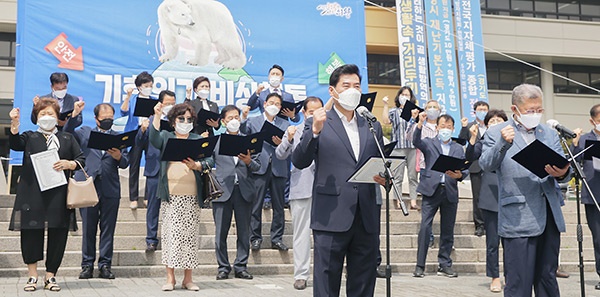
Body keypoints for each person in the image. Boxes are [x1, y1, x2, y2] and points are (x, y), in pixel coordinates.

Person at [292, 64, 386, 297]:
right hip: (331, 214)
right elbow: (299, 160)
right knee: (326, 280)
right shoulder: (319, 120)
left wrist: (386, 178)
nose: (352, 90)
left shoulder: (371, 123)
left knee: (364, 281)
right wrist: (314, 130)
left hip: (366, 215)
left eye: (356, 86)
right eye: (346, 86)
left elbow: (381, 162)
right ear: (333, 91)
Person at [479, 83, 570, 297]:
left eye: (539, 110)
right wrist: (503, 142)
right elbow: (486, 164)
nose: (535, 115)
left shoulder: (548, 133)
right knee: (519, 281)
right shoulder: (496, 132)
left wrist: (561, 173)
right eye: (530, 111)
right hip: (518, 215)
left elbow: (564, 169)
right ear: (515, 110)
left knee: (547, 278)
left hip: (549, 212)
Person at [9, 98, 85, 292]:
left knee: (58, 233)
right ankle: (32, 275)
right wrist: (14, 124)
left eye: (51, 113)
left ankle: (50, 276)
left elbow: (80, 158)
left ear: (57, 116)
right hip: (32, 193)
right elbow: (15, 143)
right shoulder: (30, 137)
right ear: (36, 117)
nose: (47, 117)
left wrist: (69, 164)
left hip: (58, 194)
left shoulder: (67, 138)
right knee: (30, 233)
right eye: (43, 114)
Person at [149, 102, 214, 291]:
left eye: (188, 119)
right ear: (173, 121)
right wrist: (156, 115)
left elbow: (210, 159)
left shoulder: (197, 138)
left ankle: (188, 278)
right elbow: (153, 139)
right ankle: (170, 278)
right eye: (181, 119)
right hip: (172, 198)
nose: (185, 122)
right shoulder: (166, 136)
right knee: (171, 237)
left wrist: (198, 166)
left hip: (192, 198)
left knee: (189, 238)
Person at [64, 103, 129, 280]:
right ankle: (87, 265)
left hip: (110, 187)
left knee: (108, 229)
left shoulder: (118, 136)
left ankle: (105, 265)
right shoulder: (85, 132)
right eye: (104, 118)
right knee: (88, 228)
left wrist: (118, 156)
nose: (108, 120)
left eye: (111, 118)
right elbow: (68, 132)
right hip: (88, 186)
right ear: (96, 118)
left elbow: (125, 162)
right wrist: (74, 115)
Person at [412, 113, 468, 278]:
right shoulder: (429, 143)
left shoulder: (458, 148)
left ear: (453, 129)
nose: (445, 129)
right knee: (425, 227)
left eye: (449, 127)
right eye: (442, 126)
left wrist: (459, 176)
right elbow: (416, 141)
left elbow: (463, 169)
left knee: (447, 229)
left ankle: (444, 264)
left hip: (449, 191)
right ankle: (419, 265)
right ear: (437, 128)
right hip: (431, 190)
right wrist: (420, 124)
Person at [275, 96, 323, 290]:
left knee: (325, 235)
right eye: (311, 112)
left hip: (325, 189)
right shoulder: (295, 130)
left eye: (319, 111)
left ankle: (323, 273)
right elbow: (280, 154)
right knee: (301, 234)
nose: (316, 115)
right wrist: (288, 138)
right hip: (301, 188)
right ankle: (301, 275)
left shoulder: (330, 129)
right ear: (304, 113)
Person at [212, 105, 260, 281]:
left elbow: (257, 166)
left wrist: (248, 161)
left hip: (244, 191)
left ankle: (241, 266)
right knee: (220, 233)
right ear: (223, 122)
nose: (234, 121)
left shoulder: (248, 141)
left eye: (237, 117)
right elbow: (209, 162)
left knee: (244, 232)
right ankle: (223, 267)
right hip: (222, 191)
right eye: (230, 118)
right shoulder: (216, 141)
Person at [241, 93, 290, 251]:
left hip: (278, 167)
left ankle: (277, 238)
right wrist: (243, 118)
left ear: (280, 107)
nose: (274, 105)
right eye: (271, 102)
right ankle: (255, 237)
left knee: (278, 206)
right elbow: (243, 134)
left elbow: (289, 146)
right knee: (256, 205)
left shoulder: (285, 123)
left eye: (277, 103)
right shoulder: (253, 121)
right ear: (264, 104)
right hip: (259, 166)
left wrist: (281, 143)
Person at [465, 109, 507, 293]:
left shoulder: (513, 142)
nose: (496, 123)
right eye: (492, 121)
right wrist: (473, 139)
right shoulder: (483, 143)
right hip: (490, 195)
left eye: (500, 120)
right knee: (492, 242)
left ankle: (512, 276)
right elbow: (470, 157)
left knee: (512, 242)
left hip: (511, 195)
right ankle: (495, 277)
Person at [136, 90, 177, 252]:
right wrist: (143, 130)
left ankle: (172, 238)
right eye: (167, 103)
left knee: (173, 208)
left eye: (173, 103)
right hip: (154, 169)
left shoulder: (177, 122)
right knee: (153, 207)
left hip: (173, 169)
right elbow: (139, 143)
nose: (170, 106)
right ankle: (151, 239)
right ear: (160, 104)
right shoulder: (151, 120)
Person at [572, 103, 600, 290]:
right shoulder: (584, 140)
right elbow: (574, 165)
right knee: (598, 238)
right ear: (592, 121)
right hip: (593, 194)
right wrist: (574, 144)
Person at [407, 99, 441, 248]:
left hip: (444, 170)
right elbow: (410, 138)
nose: (433, 109)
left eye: (435, 107)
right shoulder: (420, 126)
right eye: (430, 107)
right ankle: (429, 235)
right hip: (426, 168)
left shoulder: (444, 126)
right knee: (428, 206)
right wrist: (418, 122)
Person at [120, 71, 156, 210]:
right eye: (146, 85)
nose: (149, 87)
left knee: (150, 164)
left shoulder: (154, 100)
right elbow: (123, 112)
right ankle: (133, 197)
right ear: (139, 87)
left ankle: (147, 196)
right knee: (134, 165)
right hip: (135, 133)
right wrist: (128, 97)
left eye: (151, 85)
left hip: (150, 133)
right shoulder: (133, 99)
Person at [381, 86, 420, 210]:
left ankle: (413, 200)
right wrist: (385, 105)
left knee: (413, 176)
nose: (405, 97)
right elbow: (386, 121)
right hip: (398, 147)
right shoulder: (394, 111)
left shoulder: (415, 111)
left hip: (412, 147)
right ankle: (398, 200)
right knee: (398, 176)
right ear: (398, 96)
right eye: (402, 94)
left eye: (407, 95)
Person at [459, 101, 490, 237]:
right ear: (475, 111)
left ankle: (490, 223)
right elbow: (460, 141)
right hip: (475, 166)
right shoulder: (470, 126)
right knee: (477, 196)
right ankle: (479, 224)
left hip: (491, 166)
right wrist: (464, 128)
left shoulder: (492, 126)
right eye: (480, 109)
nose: (482, 111)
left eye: (485, 109)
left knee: (491, 194)